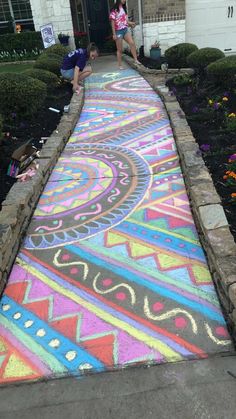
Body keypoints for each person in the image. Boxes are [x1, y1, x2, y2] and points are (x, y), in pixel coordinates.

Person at [109, 0, 141, 70]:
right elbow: (112, 22)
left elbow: (125, 21)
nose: (124, 0)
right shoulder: (114, 9)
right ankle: (120, 65)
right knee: (120, 50)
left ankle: (135, 60)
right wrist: (114, 34)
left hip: (125, 30)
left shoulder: (124, 8)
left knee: (132, 43)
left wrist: (131, 23)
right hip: (118, 32)